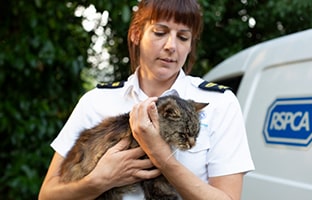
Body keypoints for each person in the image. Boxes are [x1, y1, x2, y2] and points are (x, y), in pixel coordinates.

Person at [38, 0, 254, 199]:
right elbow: (47, 195)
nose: (171, 46)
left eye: (183, 37)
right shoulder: (96, 101)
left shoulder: (219, 103)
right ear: (136, 34)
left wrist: (162, 157)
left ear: (190, 45)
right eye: (160, 32)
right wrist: (98, 181)